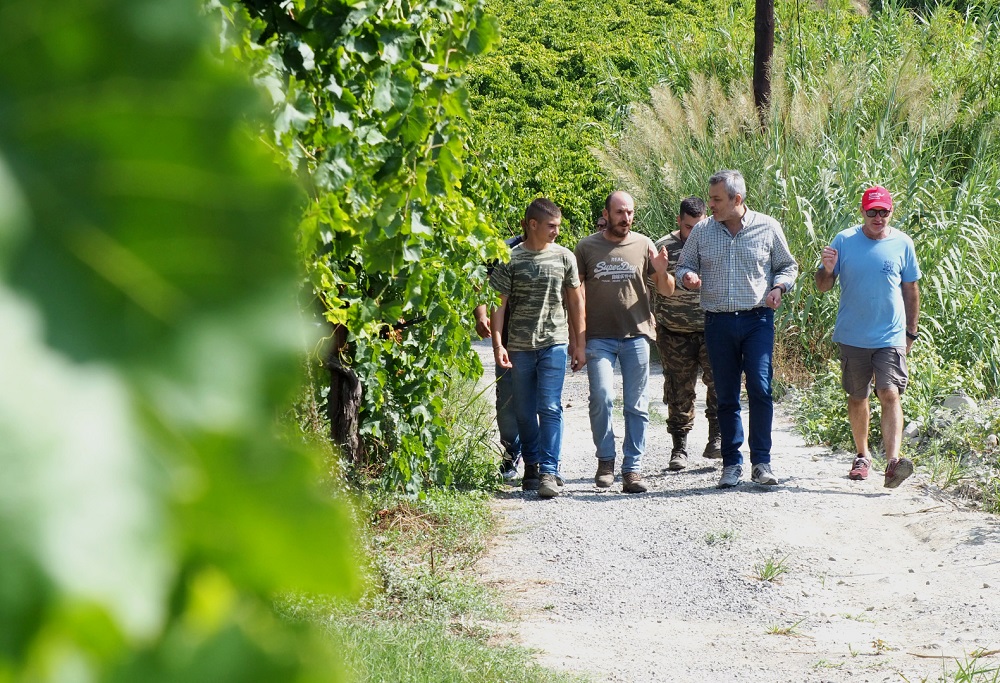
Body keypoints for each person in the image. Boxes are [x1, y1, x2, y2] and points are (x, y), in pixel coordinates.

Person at [676, 170, 798, 489]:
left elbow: (788, 265)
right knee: (725, 394)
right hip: (717, 323)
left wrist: (779, 288)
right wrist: (687, 277)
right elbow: (684, 266)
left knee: (760, 388)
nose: (711, 205)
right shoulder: (702, 231)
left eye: (717, 199)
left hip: (757, 320)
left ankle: (761, 462)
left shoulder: (767, 227)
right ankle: (732, 463)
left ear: (737, 200)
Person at [815, 185, 921, 488]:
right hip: (853, 334)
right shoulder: (844, 240)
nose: (878, 217)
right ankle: (862, 456)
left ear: (891, 212)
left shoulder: (903, 243)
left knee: (890, 393)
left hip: (890, 335)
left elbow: (911, 290)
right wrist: (826, 268)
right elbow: (822, 286)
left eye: (883, 211)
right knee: (857, 396)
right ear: (863, 211)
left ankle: (893, 462)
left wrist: (910, 332)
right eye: (872, 211)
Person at [575, 191, 672, 493]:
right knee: (601, 398)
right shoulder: (586, 247)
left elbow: (667, 290)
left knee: (637, 405)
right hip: (599, 337)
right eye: (619, 212)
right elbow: (575, 296)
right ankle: (605, 460)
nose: (626, 218)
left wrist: (661, 270)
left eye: (629, 212)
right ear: (606, 214)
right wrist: (576, 340)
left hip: (637, 335)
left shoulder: (644, 244)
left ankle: (633, 469)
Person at [490, 199, 586, 499]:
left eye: (558, 226)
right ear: (533, 225)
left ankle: (549, 469)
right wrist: (497, 344)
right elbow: (499, 305)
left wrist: (579, 343)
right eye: (551, 226)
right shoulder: (510, 259)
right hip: (519, 346)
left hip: (553, 344)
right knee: (523, 409)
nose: (557, 231)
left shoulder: (564, 257)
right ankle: (530, 462)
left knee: (550, 406)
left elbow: (575, 301)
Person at [650, 196, 721, 471]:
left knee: (718, 384)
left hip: (711, 329)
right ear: (679, 221)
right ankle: (679, 448)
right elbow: (652, 286)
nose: (695, 232)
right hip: (674, 332)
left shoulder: (715, 241)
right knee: (679, 390)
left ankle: (716, 438)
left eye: (700, 225)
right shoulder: (663, 248)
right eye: (689, 227)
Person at [474, 230, 525, 481]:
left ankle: (544, 463)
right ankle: (512, 453)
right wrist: (481, 315)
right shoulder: (500, 251)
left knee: (543, 404)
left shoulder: (554, 251)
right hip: (505, 338)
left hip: (540, 342)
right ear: (526, 223)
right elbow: (480, 282)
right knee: (506, 403)